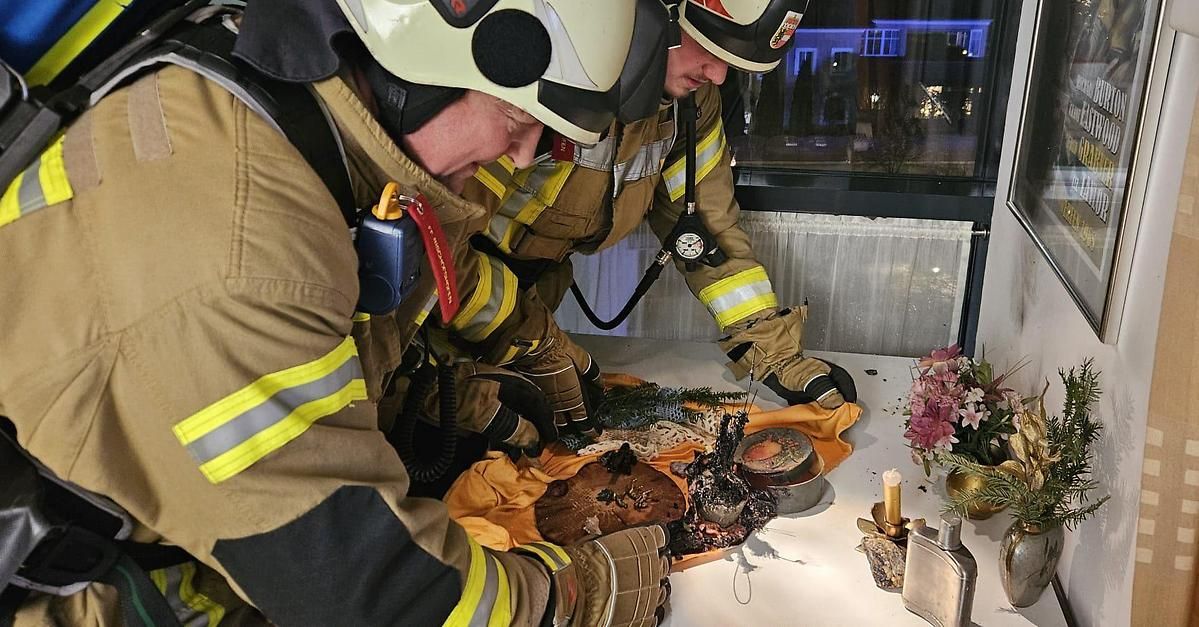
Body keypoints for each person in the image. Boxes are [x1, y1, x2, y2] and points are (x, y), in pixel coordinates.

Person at [0, 0, 671, 625]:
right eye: (520, 121)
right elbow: (366, 589)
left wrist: (450, 401)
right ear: (423, 63)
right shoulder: (241, 252)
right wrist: (570, 592)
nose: (522, 156)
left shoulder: (295, 135)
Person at [449, 0, 858, 443]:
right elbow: (439, 244)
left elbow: (707, 227)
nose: (718, 75)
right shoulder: (549, 79)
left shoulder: (690, 106)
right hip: (446, 308)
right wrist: (532, 341)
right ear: (654, 16)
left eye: (733, 63)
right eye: (711, 48)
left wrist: (773, 352)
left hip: (526, 305)